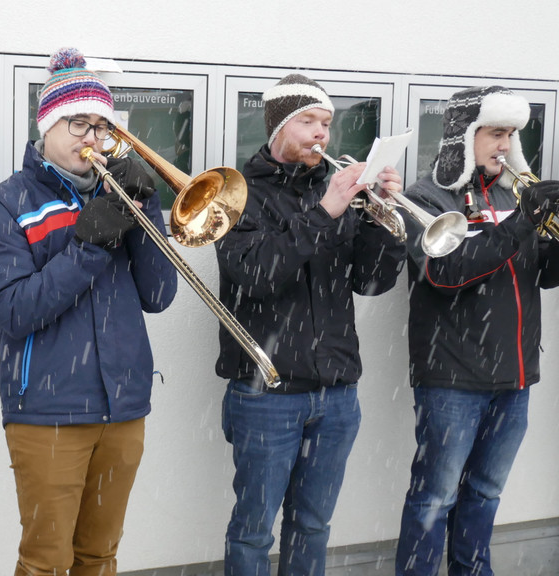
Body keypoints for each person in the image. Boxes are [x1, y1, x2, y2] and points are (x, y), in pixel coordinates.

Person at [0, 47, 177, 576]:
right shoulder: (4, 203)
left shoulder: (120, 196)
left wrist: (146, 206)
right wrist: (89, 244)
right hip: (47, 410)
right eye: (77, 123)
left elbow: (159, 295)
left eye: (102, 126)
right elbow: (16, 310)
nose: (92, 137)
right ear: (47, 125)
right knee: (45, 561)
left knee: (100, 556)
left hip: (125, 406)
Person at [214, 73, 407, 576]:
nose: (321, 134)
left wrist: (383, 220)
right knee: (254, 531)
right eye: (308, 121)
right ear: (277, 125)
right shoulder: (235, 192)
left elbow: (371, 282)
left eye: (326, 123)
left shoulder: (337, 190)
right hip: (266, 393)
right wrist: (324, 213)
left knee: (314, 525)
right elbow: (256, 274)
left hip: (338, 392)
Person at [394, 86, 559, 576]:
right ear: (465, 136)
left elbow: (542, 275)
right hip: (452, 377)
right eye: (495, 133)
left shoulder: (515, 193)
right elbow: (447, 273)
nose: (505, 145)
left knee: (486, 491)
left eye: (510, 134)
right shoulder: (428, 196)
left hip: (515, 376)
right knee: (435, 497)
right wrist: (522, 224)